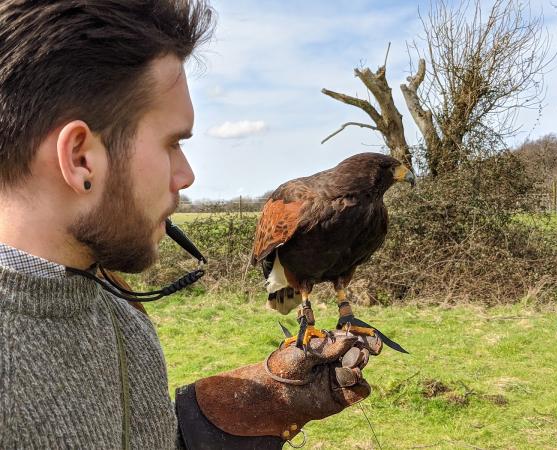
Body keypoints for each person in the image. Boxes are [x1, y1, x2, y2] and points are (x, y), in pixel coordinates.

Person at [0, 1, 380, 449]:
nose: (187, 176)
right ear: (81, 158)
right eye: (172, 144)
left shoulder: (126, 319)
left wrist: (264, 401)